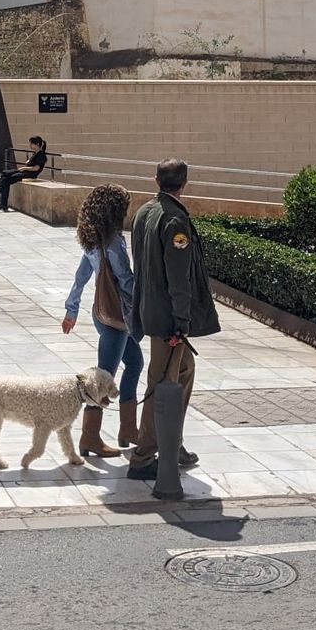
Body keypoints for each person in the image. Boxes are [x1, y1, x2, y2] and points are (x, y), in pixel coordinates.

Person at [124, 158, 219, 481]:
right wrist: (182, 320)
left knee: (184, 371)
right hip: (167, 319)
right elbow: (179, 277)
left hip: (150, 309)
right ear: (185, 183)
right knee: (162, 384)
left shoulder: (144, 212)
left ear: (156, 180)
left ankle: (171, 441)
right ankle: (142, 457)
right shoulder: (174, 220)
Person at [60, 184, 143, 456]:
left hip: (102, 314)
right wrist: (146, 297)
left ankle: (127, 429)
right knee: (102, 378)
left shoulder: (93, 239)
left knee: (135, 362)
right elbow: (125, 280)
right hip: (116, 318)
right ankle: (90, 437)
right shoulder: (113, 242)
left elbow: (81, 275)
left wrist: (72, 309)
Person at [0, 136, 47, 211]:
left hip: (30, 174)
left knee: (6, 180)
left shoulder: (41, 155)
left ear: (37, 144)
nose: (30, 145)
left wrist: (24, 168)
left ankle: (2, 202)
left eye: (31, 143)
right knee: (5, 173)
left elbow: (36, 168)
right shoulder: (35, 153)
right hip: (25, 171)